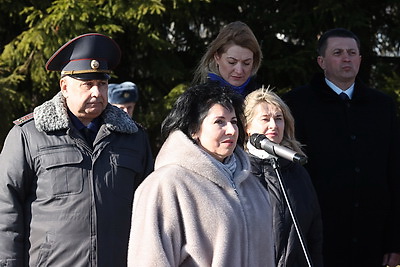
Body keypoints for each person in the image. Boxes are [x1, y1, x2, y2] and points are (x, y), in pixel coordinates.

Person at [0, 33, 154, 266]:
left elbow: (151, 209)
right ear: (64, 86)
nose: (96, 92)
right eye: (87, 84)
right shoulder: (29, 135)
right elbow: (6, 209)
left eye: (102, 84)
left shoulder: (133, 138)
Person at [283, 28, 400, 267]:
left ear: (359, 59)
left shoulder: (383, 106)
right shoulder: (297, 103)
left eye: (352, 52)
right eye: (338, 52)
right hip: (319, 236)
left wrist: (395, 242)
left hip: (372, 238)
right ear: (321, 61)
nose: (346, 58)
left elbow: (395, 173)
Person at [127, 83, 275, 266]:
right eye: (219, 121)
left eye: (234, 122)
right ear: (194, 130)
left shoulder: (251, 183)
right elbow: (149, 259)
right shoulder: (166, 184)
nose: (231, 130)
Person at [244, 87, 323, 266]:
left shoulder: (297, 170)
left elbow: (314, 233)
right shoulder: (239, 171)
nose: (273, 125)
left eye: (278, 119)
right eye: (265, 119)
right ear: (247, 127)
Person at [192, 21, 262, 96]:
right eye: (232, 62)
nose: (239, 71)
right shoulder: (199, 102)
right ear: (217, 57)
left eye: (246, 63)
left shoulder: (265, 102)